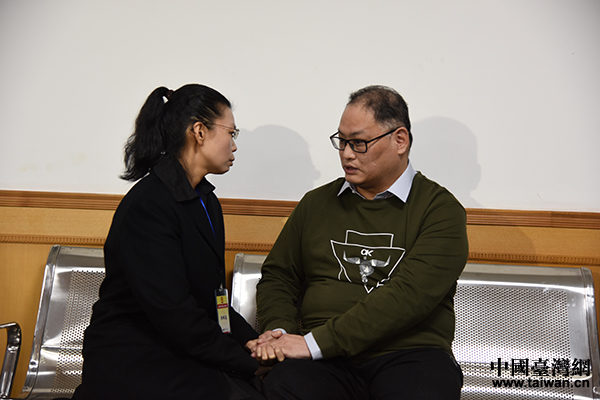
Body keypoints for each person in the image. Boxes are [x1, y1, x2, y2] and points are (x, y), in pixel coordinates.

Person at [253, 85, 469, 399]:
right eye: (342, 141)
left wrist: (313, 344)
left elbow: (408, 297)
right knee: (285, 385)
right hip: (324, 361)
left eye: (359, 142)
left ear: (400, 140)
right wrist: (280, 334)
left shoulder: (440, 210)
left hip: (409, 355)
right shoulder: (316, 204)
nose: (347, 154)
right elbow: (279, 276)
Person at [73, 84, 266, 400]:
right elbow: (173, 312)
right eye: (231, 133)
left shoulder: (206, 200)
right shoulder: (149, 205)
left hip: (180, 348)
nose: (234, 145)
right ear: (199, 131)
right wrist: (247, 363)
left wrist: (253, 342)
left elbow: (213, 299)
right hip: (135, 357)